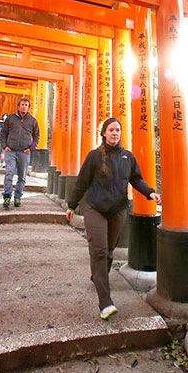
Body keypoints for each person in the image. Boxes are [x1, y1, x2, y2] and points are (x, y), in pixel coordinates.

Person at [66, 117, 161, 320]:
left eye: (118, 130)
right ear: (104, 133)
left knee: (109, 250)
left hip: (118, 209)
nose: (115, 133)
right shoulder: (94, 157)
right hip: (95, 209)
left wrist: (149, 192)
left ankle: (98, 276)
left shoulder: (127, 157)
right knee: (99, 251)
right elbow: (81, 183)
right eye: (111, 130)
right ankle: (105, 302)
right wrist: (71, 206)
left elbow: (136, 179)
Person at [0, 98, 40, 209]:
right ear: (18, 106)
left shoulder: (32, 120)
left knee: (22, 176)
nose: (24, 106)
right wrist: (5, 146)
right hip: (11, 151)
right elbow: (3, 132)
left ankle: (18, 197)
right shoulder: (10, 118)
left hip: (24, 152)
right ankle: (7, 196)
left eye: (26, 105)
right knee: (9, 173)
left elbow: (37, 136)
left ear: (28, 107)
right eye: (22, 104)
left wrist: (31, 148)